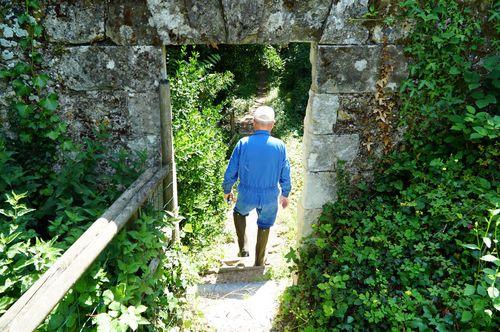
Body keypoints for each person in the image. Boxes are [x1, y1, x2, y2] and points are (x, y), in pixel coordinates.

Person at [222, 106, 291, 266]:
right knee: (265, 224)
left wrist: (227, 189)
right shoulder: (280, 146)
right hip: (269, 195)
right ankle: (259, 261)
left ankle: (243, 248)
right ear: (273, 124)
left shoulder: (243, 143)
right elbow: (285, 172)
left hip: (247, 192)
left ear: (253, 123)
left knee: (239, 212)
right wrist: (285, 193)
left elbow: (231, 170)